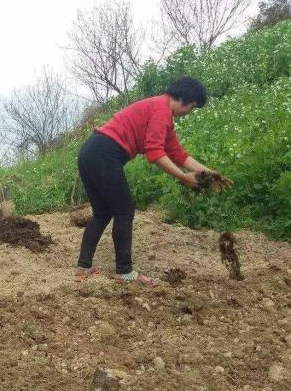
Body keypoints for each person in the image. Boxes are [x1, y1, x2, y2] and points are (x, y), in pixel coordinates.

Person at [75, 77, 231, 283]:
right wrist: (183, 177)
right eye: (192, 108)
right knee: (124, 210)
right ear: (185, 99)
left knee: (103, 212)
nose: (189, 113)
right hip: (105, 152)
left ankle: (83, 267)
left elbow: (178, 154)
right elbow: (155, 153)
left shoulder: (161, 112)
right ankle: (124, 271)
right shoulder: (161, 110)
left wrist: (211, 174)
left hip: (90, 150)